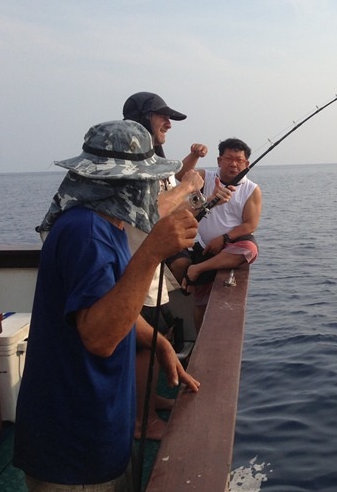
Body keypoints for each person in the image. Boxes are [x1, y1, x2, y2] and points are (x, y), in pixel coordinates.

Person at [14, 120, 201, 491]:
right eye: (145, 179)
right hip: (73, 446)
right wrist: (151, 253)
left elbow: (108, 306)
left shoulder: (108, 225)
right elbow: (99, 337)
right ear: (121, 182)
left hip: (101, 428)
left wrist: (158, 341)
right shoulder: (86, 232)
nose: (150, 188)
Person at [122, 91, 210, 440]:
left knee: (160, 333)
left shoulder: (153, 160)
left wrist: (188, 175)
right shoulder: (128, 160)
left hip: (152, 264)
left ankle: (150, 399)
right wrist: (189, 184)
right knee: (145, 345)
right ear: (142, 118)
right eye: (162, 116)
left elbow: (170, 187)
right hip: (133, 264)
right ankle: (142, 422)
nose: (168, 123)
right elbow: (145, 212)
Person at [181, 138, 262, 332]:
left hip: (231, 243)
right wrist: (194, 155)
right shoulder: (204, 177)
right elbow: (182, 176)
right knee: (200, 304)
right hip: (204, 245)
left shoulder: (252, 189)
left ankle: (198, 268)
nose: (233, 164)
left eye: (239, 160)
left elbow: (250, 224)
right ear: (219, 160)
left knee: (250, 250)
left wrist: (224, 238)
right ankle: (199, 343)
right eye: (228, 159)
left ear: (247, 164)